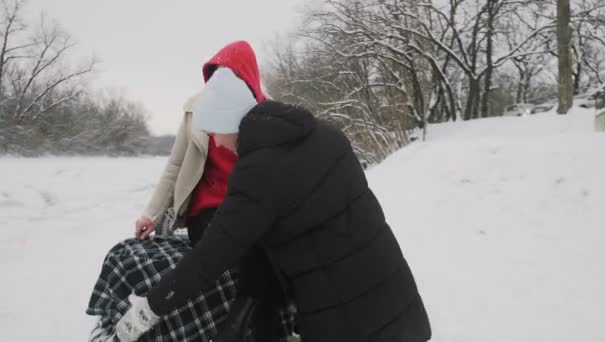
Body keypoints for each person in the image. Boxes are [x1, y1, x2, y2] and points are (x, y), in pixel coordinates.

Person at [114, 63, 432, 341]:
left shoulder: (257, 173)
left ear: (228, 123)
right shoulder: (326, 135)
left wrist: (148, 310)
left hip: (348, 323)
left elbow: (208, 261)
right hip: (397, 300)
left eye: (214, 132)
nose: (217, 142)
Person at [86, 41, 295, 342]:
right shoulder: (195, 111)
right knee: (245, 257)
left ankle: (262, 328)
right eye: (215, 75)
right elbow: (175, 166)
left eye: (230, 76)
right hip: (208, 210)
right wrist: (151, 213)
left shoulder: (262, 115)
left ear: (247, 78)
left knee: (269, 259)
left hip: (247, 209)